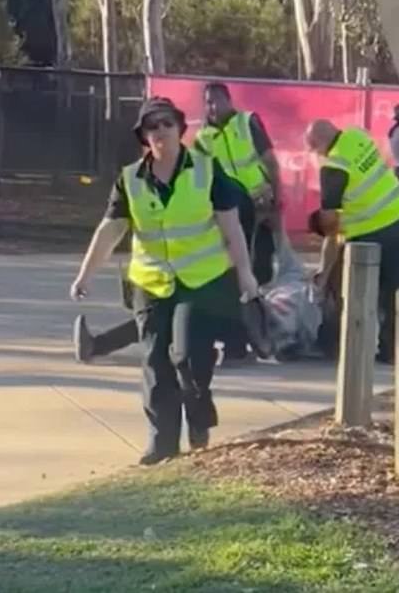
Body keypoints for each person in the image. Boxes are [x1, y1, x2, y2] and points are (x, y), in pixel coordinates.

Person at [69, 97, 258, 465]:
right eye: (151, 126)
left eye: (166, 124)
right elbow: (112, 229)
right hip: (151, 283)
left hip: (201, 283)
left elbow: (231, 227)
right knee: (156, 363)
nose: (159, 132)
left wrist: (246, 274)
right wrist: (85, 275)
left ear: (179, 129)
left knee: (187, 358)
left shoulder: (206, 170)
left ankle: (200, 418)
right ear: (144, 136)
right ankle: (162, 443)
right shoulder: (130, 179)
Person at [305, 119, 399, 364]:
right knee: (388, 290)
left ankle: (329, 343)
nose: (313, 154)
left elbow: (331, 227)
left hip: (373, 230)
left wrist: (324, 271)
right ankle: (391, 349)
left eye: (312, 148)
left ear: (320, 143)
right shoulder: (356, 137)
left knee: (338, 286)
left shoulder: (333, 167)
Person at [194, 82, 281, 360]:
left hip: (260, 208)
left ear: (228, 100)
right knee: (236, 275)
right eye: (207, 102)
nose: (212, 107)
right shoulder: (203, 138)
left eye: (217, 101)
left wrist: (276, 200)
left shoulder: (247, 122)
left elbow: (270, 161)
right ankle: (240, 341)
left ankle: (257, 333)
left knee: (260, 272)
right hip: (230, 214)